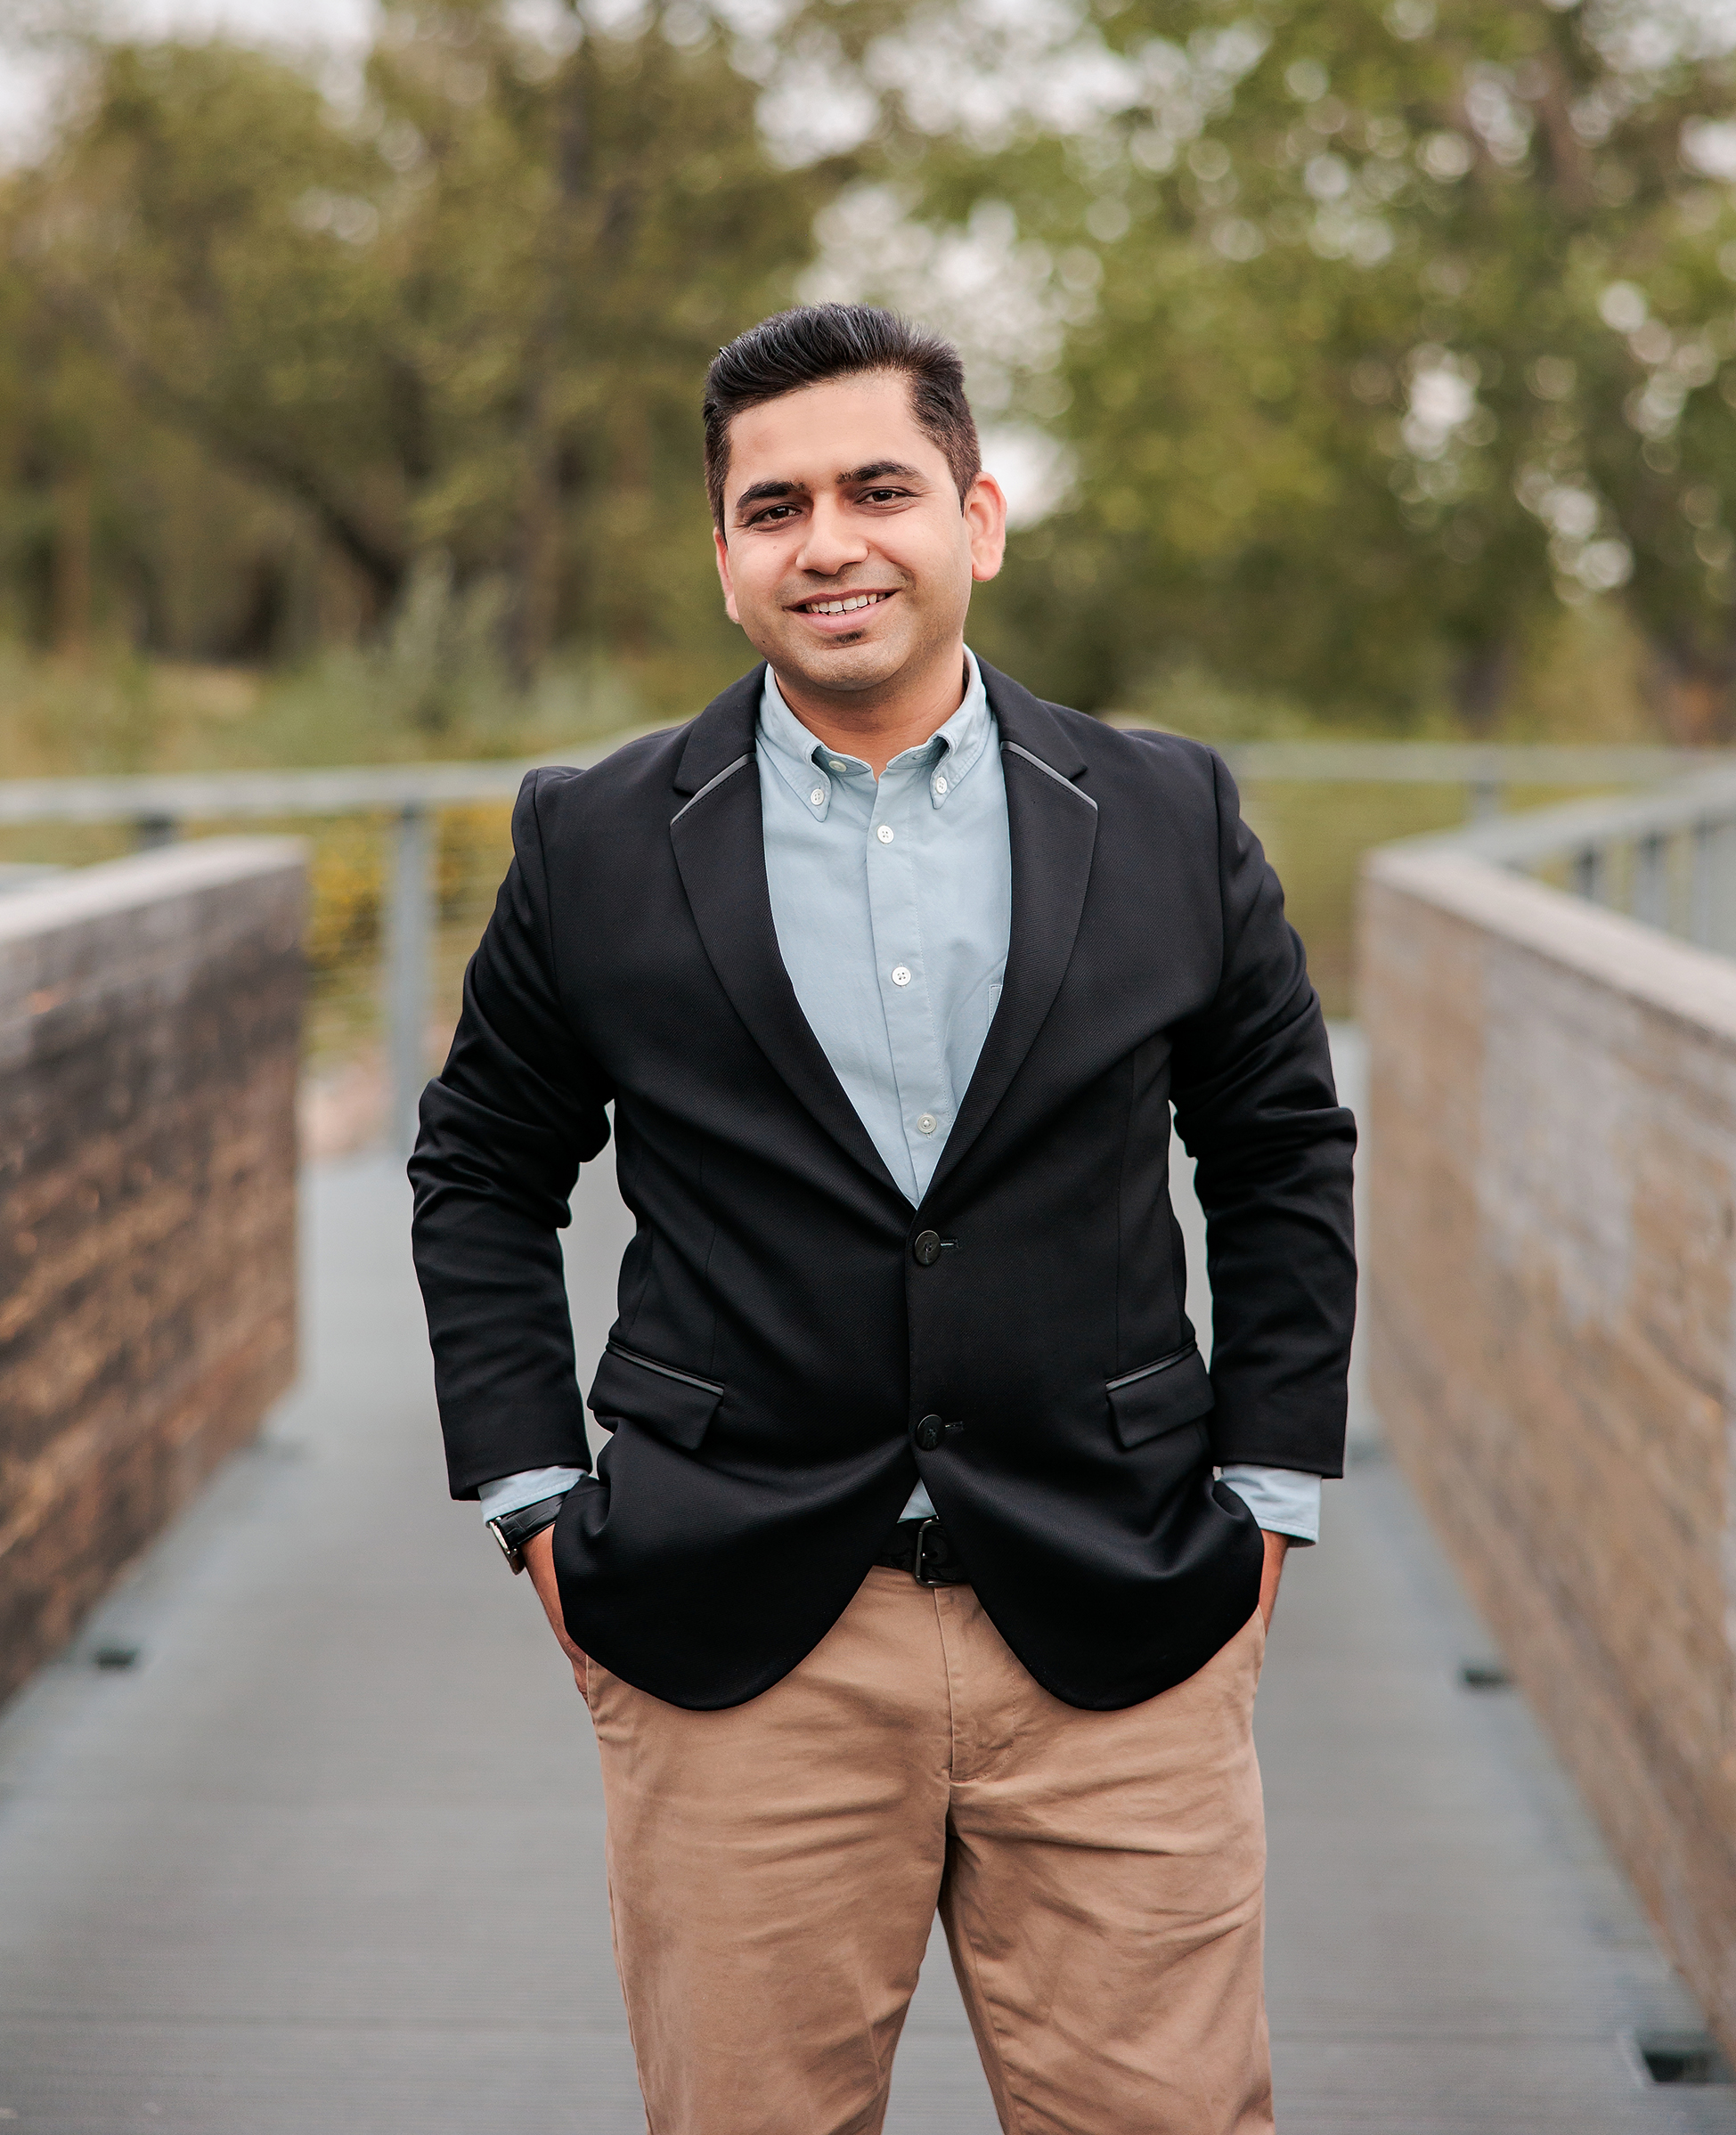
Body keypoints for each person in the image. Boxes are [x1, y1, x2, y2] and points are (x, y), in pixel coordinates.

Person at [411, 301, 1356, 2135]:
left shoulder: (1168, 812)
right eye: (774, 508)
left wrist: (1270, 1496)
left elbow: (1278, 1151)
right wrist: (535, 1503)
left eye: (876, 489)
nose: (828, 542)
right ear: (723, 558)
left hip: (1121, 1613)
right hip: (731, 1628)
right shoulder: (593, 837)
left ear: (976, 517)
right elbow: (481, 1169)